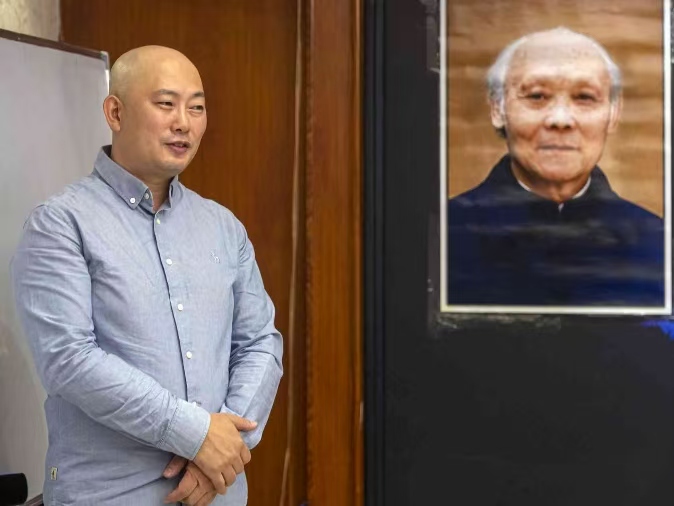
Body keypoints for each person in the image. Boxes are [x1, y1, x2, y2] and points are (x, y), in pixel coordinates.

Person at [11, 46, 283, 505]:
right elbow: (68, 359)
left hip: (216, 492)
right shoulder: (60, 224)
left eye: (196, 108)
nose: (184, 123)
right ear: (115, 113)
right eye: (166, 104)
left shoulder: (223, 227)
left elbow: (259, 342)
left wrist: (223, 445)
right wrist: (195, 434)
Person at [447, 27, 664, 307]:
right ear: (498, 109)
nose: (560, 119)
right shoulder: (446, 235)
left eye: (584, 97)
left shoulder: (656, 242)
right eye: (537, 96)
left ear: (613, 113)